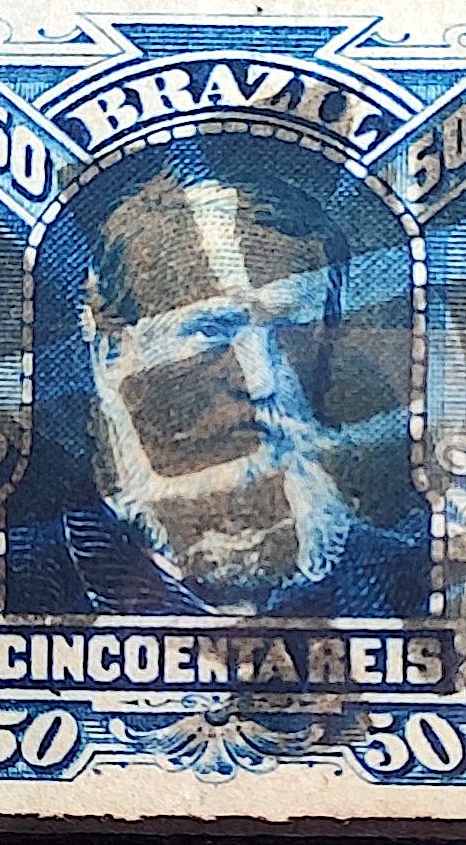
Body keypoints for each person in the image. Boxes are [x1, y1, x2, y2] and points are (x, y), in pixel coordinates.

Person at [57, 166, 429, 617]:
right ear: (112, 354)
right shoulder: (28, 572)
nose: (260, 379)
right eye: (211, 332)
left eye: (292, 328)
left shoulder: (409, 581)